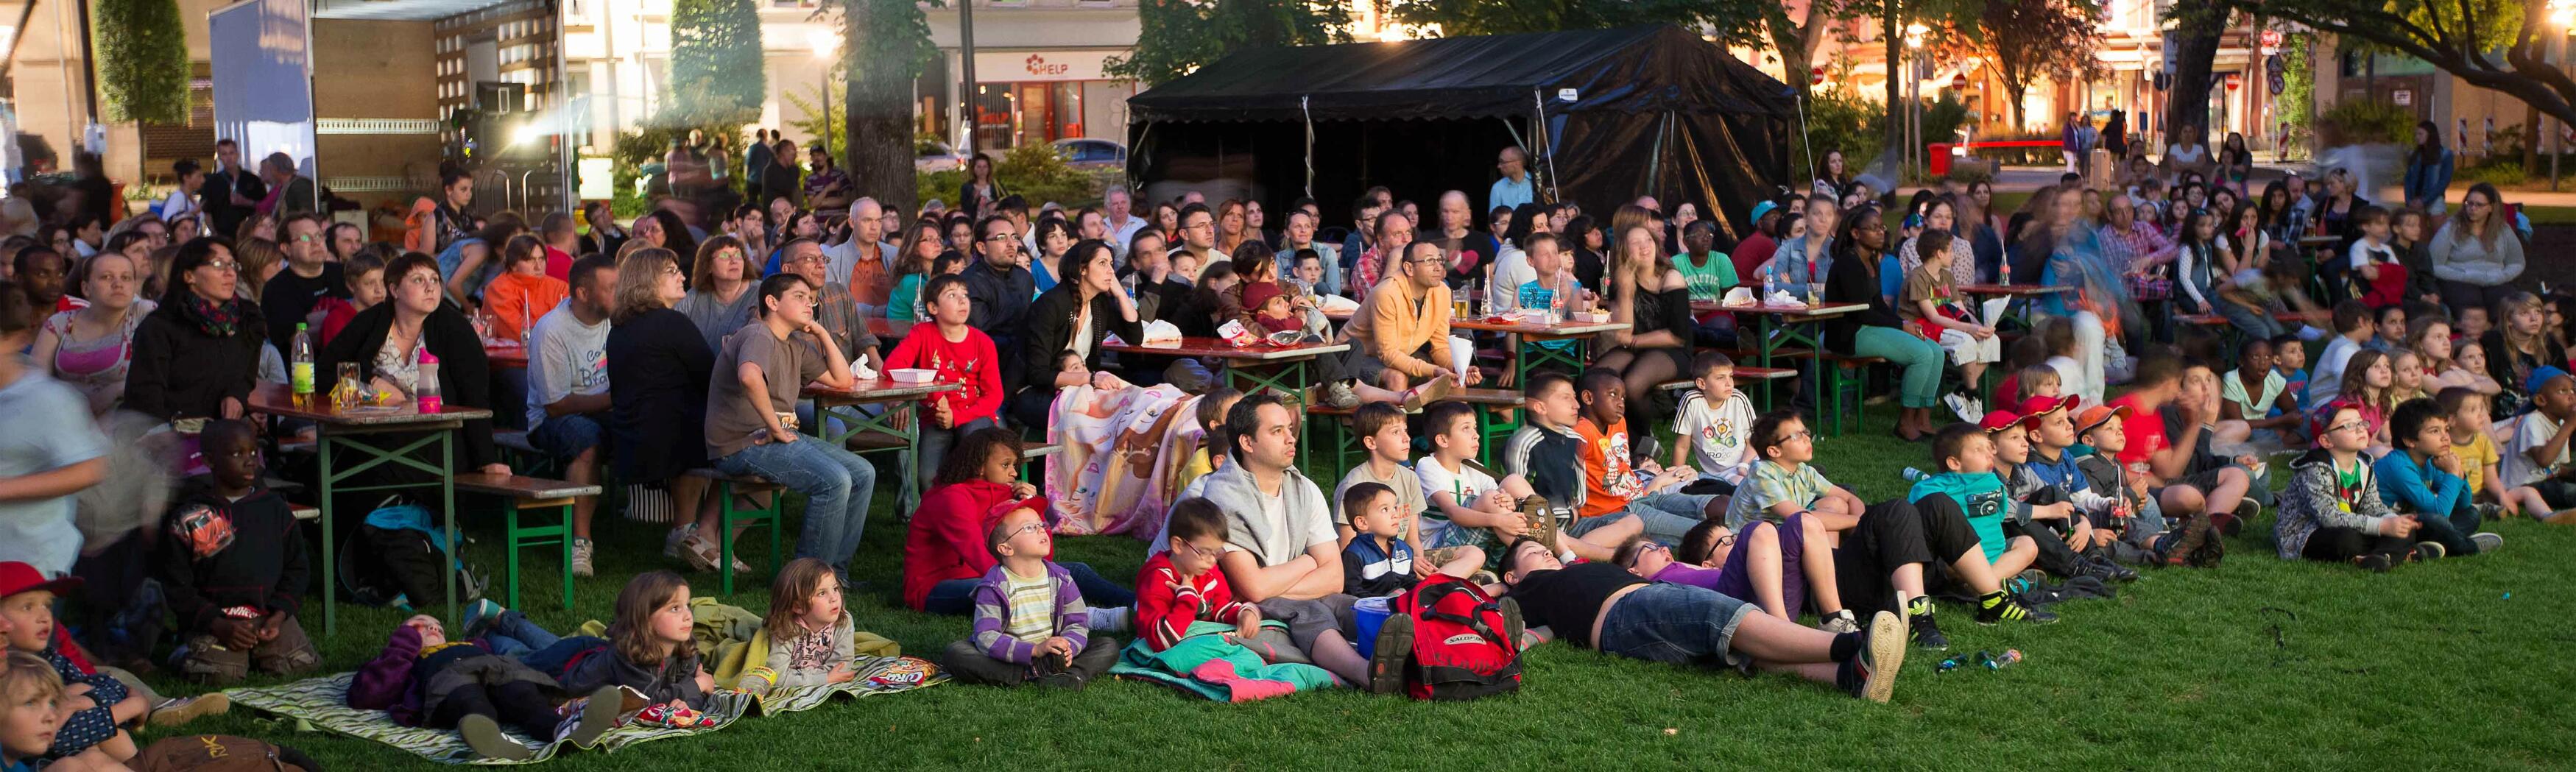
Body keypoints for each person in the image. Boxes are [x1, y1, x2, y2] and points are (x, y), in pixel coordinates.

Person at [1153, 394, 1385, 689]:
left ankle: (1410, 649)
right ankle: (1367, 673)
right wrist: (1308, 562)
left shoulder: (1305, 489)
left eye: (1289, 428)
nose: (1291, 438)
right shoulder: (1221, 498)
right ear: (1247, 443)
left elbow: (1334, 578)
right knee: (1310, 611)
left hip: (1272, 588)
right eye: (1277, 431)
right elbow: (1252, 587)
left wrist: (1272, 584)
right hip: (1222, 601)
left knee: (1347, 604)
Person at [1497, 539, 1905, 702]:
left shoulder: (1561, 578)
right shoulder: (1525, 589)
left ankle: (1849, 677)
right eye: (1533, 553)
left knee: (1740, 647)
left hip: (1634, 616)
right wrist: (1497, 585)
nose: (1546, 553)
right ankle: (1851, 645)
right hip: (1628, 610)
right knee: (1717, 615)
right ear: (1512, 576)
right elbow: (1481, 587)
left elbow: (1545, 627)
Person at [704, 274, 874, 582]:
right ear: (772, 302)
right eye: (799, 297)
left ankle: (835, 576)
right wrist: (775, 426)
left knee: (863, 473)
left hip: (773, 438)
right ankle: (806, 580)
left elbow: (842, 380)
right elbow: (749, 377)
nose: (809, 304)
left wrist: (821, 332)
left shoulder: (795, 344)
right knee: (834, 481)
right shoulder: (758, 334)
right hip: (742, 444)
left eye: (810, 299)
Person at [151, 419, 319, 684]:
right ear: (210, 460)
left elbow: (297, 568)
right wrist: (216, 623)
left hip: (267, 618)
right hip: (217, 622)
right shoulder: (189, 516)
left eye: (253, 452)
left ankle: (258, 651)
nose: (250, 461)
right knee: (220, 676)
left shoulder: (275, 509)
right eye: (237, 454)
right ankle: (185, 651)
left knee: (299, 665)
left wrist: (279, 615)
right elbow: (176, 586)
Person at [944, 503, 1119, 689]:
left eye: (1041, 524)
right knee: (956, 653)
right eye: (1029, 528)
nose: (1041, 530)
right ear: (1006, 548)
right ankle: (1029, 673)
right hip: (1011, 658)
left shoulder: (1062, 579)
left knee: (1108, 646)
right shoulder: (993, 586)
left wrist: (1069, 647)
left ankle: (1068, 674)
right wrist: (1034, 650)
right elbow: (986, 636)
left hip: (1053, 653)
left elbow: (1077, 622)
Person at [521, 255, 618, 576]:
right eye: (610, 288)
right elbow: (555, 405)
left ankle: (678, 529)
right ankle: (581, 542)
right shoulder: (552, 330)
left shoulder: (618, 320)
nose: (619, 294)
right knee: (585, 440)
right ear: (582, 293)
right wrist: (616, 400)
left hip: (606, 409)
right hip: (551, 420)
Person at [0, 285, 105, 580]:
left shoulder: (48, 399)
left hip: (29, 566)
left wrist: (4, 489)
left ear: (15, 339)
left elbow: (90, 469)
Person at [1823, 206, 1947, 440]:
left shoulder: (1872, 261)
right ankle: (1905, 422)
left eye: (1882, 227)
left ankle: (1923, 419)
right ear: (1856, 233)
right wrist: (1902, 327)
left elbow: (1878, 305)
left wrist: (1904, 322)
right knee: (1922, 355)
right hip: (1850, 333)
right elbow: (1862, 312)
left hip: (1869, 327)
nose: (1881, 232)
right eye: (1873, 228)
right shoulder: (1848, 263)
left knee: (1936, 351)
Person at [0, 564, 142, 768]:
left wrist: (84, 700)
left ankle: (140, 765)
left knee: (85, 697)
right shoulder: (7, 673)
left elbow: (108, 685)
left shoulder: (50, 659)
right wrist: (129, 708)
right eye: (28, 607)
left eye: (47, 605)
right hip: (38, 762)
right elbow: (52, 737)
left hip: (72, 751)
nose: (44, 616)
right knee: (86, 754)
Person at [2276, 404, 2435, 571]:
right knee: (2348, 539)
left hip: (2349, 525)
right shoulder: (2315, 469)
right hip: (2307, 534)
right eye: (2349, 425)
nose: (2360, 429)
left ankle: (2380, 557)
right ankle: (2399, 552)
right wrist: (2382, 526)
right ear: (2326, 441)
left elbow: (2371, 506)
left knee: (2403, 529)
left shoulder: (2365, 463)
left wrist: (2392, 519)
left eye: (2361, 423)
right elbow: (2329, 518)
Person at [1573, 370, 1725, 544]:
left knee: (1721, 504)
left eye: (1623, 397)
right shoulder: (1582, 432)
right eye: (1613, 395)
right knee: (1706, 533)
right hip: (1619, 512)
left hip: (1645, 496)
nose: (1621, 403)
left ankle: (1739, 529)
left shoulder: (1619, 423)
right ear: (1588, 398)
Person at [886, 274, 1003, 495]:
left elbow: (994, 396)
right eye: (952, 295)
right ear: (933, 308)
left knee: (972, 445)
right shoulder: (922, 333)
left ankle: (975, 507)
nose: (962, 300)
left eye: (965, 295)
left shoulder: (983, 342)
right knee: (926, 477)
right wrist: (936, 397)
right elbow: (893, 367)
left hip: (974, 415)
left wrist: (956, 417)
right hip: (936, 418)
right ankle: (937, 513)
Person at [127, 238, 264, 425]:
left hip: (225, 430)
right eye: (218, 265)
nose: (230, 273)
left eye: (233, 265)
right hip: (168, 431)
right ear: (189, 276)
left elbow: (246, 377)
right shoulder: (160, 327)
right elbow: (145, 397)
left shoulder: (248, 319)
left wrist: (236, 395)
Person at [1014, 241, 1141, 430]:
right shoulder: (1051, 305)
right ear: (1082, 269)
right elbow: (1038, 375)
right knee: (1098, 419)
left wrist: (1121, 295)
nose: (1111, 271)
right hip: (1037, 393)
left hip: (1082, 389)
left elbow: (1135, 337)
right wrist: (1091, 379)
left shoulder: (1098, 303)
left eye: (1111, 264)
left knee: (1130, 409)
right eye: (1102, 263)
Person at [562, 571, 713, 709]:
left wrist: (687, 705)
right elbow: (647, 702)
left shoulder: (686, 647)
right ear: (645, 619)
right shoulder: (630, 655)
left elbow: (697, 693)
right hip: (567, 680)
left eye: (687, 605)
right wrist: (698, 684)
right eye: (675, 609)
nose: (688, 615)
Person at [2374, 398, 2505, 558]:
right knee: (2436, 521)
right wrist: (2451, 473)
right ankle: (2468, 546)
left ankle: (2431, 545)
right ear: (2410, 441)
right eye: (2435, 431)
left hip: (2413, 523)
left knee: (2471, 514)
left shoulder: (2430, 461)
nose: (2445, 437)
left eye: (2446, 429)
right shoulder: (2399, 467)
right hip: (2388, 529)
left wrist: (2458, 473)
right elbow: (2440, 513)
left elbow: (2463, 503)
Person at [32, 252, 151, 415]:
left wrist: (117, 389)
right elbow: (35, 381)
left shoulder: (145, 314)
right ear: (86, 288)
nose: (118, 284)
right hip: (65, 416)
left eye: (126, 278)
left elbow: (168, 372)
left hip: (127, 418)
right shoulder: (61, 322)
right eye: (106, 277)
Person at [1135, 498, 1261, 651]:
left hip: (1195, 640)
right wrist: (1187, 598)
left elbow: (1219, 606)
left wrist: (1243, 613)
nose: (1212, 561)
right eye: (1204, 552)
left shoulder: (1207, 572)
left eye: (1217, 552)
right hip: (1164, 649)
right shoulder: (1158, 580)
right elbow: (1161, 641)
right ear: (1178, 545)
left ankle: (1124, 616)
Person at [1898, 230, 1998, 422]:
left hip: (1945, 323)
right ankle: (1972, 395)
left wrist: (1980, 326)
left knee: (1992, 341)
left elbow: (1961, 310)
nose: (1954, 254)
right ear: (1939, 253)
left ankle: (1962, 393)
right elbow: (1933, 317)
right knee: (1966, 341)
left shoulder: (1947, 277)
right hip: (1919, 327)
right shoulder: (1918, 278)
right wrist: (1969, 329)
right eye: (1951, 250)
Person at [255, 213, 343, 354]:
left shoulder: (344, 273)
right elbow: (299, 342)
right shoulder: (276, 289)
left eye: (319, 235)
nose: (316, 242)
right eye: (305, 238)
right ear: (286, 249)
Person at [2429, 183, 2524, 311]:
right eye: (2469, 203)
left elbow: (2517, 262)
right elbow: (2434, 265)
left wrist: (2503, 276)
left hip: (2495, 280)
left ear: (2491, 207)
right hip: (2459, 281)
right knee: (2472, 305)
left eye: (2479, 205)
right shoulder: (2451, 228)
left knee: (2507, 304)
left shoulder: (2503, 230)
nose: (2473, 208)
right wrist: (2464, 276)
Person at [2501, 366, 2576, 514]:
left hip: (2545, 481)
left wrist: (2571, 473)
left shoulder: (2561, 424)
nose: (2571, 397)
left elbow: (2554, 467)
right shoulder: (2532, 421)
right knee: (2567, 491)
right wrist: (2570, 425)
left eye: (2573, 391)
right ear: (2541, 400)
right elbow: (2543, 460)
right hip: (2524, 487)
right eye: (2563, 391)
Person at [2481, 291, 2564, 419]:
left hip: (2545, 420)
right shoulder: (2492, 345)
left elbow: (2566, 384)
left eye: (2538, 312)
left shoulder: (2552, 347)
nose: (2534, 318)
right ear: (2509, 320)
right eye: (2525, 313)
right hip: (2502, 421)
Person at [673, 236, 759, 353]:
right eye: (724, 256)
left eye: (738, 255)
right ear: (708, 266)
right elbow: (672, 325)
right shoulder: (696, 295)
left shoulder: (761, 293)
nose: (734, 261)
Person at [479, 236, 568, 344]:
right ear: (513, 265)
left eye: (541, 259)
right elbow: (519, 333)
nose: (538, 267)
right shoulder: (498, 289)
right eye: (530, 260)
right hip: (513, 353)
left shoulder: (560, 287)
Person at [199, 139, 267, 239]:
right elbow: (207, 210)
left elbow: (263, 206)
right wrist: (214, 233)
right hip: (223, 235)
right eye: (224, 154)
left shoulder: (253, 180)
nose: (229, 158)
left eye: (231, 153)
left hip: (250, 234)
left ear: (237, 154)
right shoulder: (211, 182)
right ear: (219, 157)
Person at [2403, 121, 2455, 215]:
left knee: (2438, 223)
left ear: (2430, 135)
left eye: (2420, 134)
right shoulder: (2414, 155)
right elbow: (2408, 179)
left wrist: (2425, 200)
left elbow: (2444, 181)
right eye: (2416, 134)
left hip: (2434, 199)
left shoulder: (2445, 154)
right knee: (2417, 224)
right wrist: (2408, 200)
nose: (2417, 137)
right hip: (2415, 199)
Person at [1490, 146, 1534, 211]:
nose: (1499, 166)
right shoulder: (1498, 188)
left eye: (1502, 162)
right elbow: (1494, 216)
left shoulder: (1536, 183)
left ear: (1517, 163)